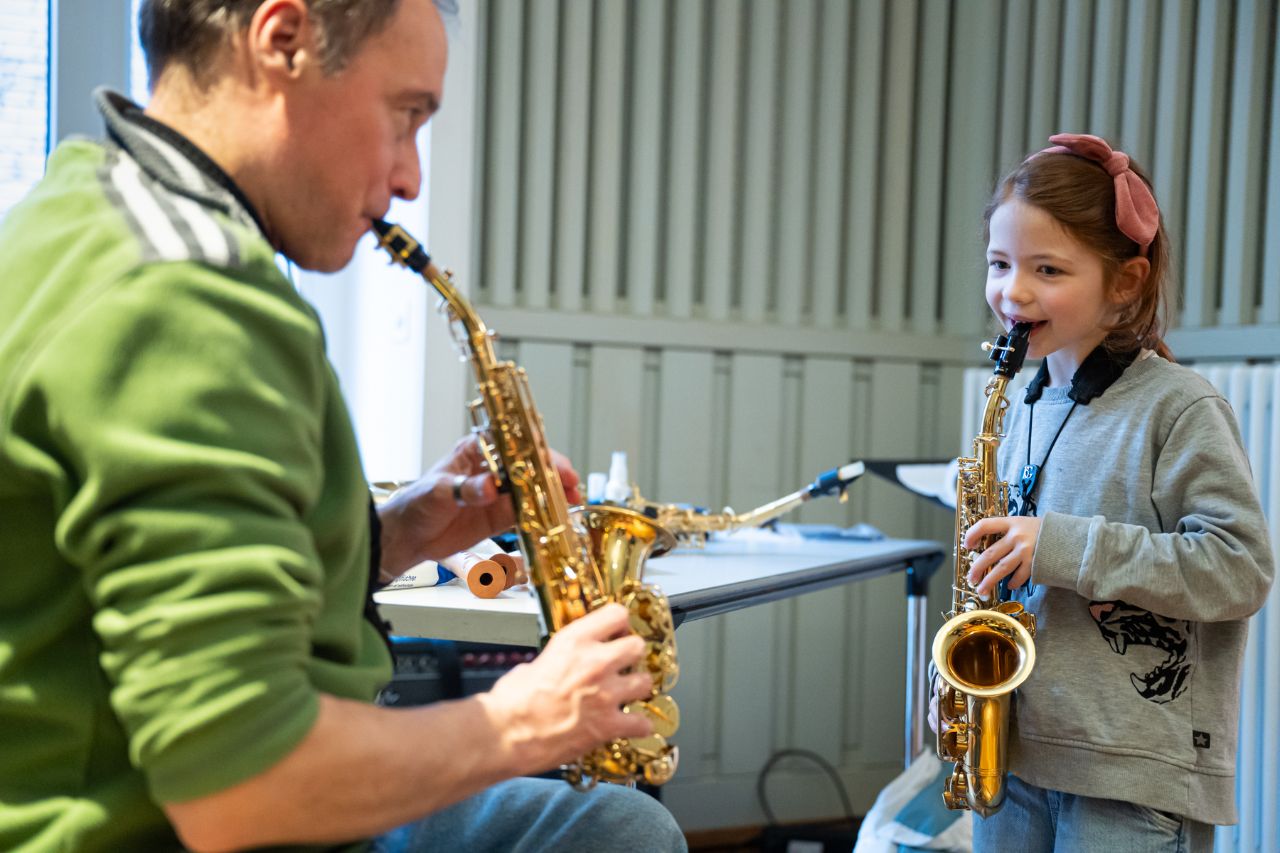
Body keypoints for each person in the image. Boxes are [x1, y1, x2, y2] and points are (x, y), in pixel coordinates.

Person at [0, 1, 687, 851]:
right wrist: (525, 717)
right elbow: (241, 787)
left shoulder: (80, 203)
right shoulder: (187, 300)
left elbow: (128, 575)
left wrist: (397, 534)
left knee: (616, 824)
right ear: (281, 41)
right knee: (625, 837)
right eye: (406, 116)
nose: (410, 178)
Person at [929, 133, 1274, 851]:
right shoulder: (1020, 405)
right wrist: (960, 695)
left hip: (1131, 775)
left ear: (1125, 281)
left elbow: (1241, 567)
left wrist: (1059, 544)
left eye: (1047, 268)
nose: (1012, 292)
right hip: (1019, 755)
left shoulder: (1177, 408)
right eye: (999, 263)